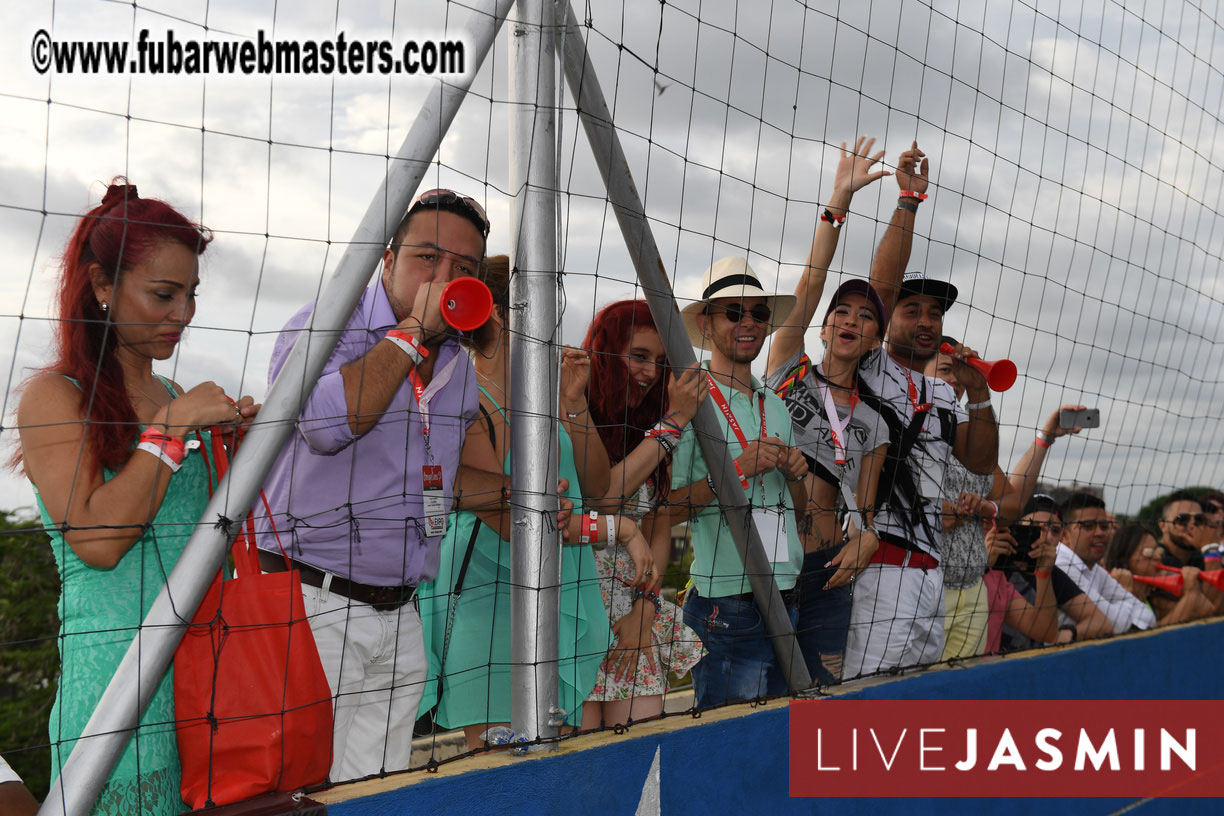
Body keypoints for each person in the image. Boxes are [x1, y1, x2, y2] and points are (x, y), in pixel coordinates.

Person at [255, 190, 541, 781]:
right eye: (427, 258)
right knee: (299, 790)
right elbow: (328, 426)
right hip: (311, 603)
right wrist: (412, 331)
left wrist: (522, 495)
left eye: (464, 269)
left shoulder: (460, 365)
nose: (444, 278)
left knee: (377, 792)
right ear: (387, 260)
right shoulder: (326, 325)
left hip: (400, 611)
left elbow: (432, 478)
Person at [13, 181, 257, 814]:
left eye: (191, 294)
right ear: (100, 286)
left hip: (207, 684)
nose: (183, 313)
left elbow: (208, 545)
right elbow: (97, 540)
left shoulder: (171, 393)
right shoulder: (55, 397)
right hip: (115, 696)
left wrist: (245, 455)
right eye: (163, 294)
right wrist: (171, 432)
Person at [417, 257, 651, 749]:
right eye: (540, 310)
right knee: (502, 766)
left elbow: (598, 484)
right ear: (504, 314)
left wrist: (574, 403)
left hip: (554, 583)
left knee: (554, 762)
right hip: (487, 588)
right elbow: (511, 519)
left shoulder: (545, 391)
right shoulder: (462, 393)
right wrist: (617, 532)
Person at [842, 141, 1000, 678]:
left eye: (936, 313)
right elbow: (879, 288)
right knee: (867, 700)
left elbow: (979, 464)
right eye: (913, 311)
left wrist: (978, 393)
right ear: (888, 320)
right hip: (877, 566)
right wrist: (908, 202)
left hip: (932, 569)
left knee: (915, 702)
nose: (928, 321)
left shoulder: (939, 391)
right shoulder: (867, 367)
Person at [764, 138, 891, 687]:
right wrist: (838, 202)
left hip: (828, 571)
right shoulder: (787, 367)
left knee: (819, 707)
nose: (850, 320)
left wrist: (870, 538)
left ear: (874, 341)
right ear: (822, 325)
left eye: (865, 318)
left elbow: (864, 508)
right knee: (754, 704)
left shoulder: (875, 421)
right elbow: (811, 281)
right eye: (842, 311)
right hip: (764, 561)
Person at [672, 257, 810, 707]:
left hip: (787, 595)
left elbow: (800, 513)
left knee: (779, 749)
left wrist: (796, 476)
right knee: (728, 754)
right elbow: (668, 509)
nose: (748, 323)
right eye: (733, 311)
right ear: (705, 324)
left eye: (758, 313)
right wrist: (734, 472)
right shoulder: (691, 398)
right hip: (728, 605)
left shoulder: (777, 404)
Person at [579, 299, 706, 727]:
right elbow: (603, 500)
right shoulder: (573, 413)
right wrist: (673, 424)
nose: (651, 372)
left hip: (635, 613)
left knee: (639, 757)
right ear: (607, 353)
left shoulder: (653, 430)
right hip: (572, 611)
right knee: (575, 766)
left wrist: (645, 610)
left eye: (659, 361)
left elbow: (659, 521)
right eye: (638, 356)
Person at [1055, 492, 1156, 634]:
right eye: (1088, 526)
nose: (1100, 533)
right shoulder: (1061, 565)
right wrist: (1125, 607)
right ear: (1064, 535)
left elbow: (1149, 616)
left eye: (1104, 526)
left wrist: (1116, 609)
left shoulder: (1093, 567)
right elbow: (1114, 624)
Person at [1104, 523, 1214, 625]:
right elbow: (1153, 635)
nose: (1158, 556)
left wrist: (1188, 591)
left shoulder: (1154, 597)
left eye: (1158, 550)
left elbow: (1208, 608)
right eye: (1148, 552)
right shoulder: (1110, 599)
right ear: (1125, 559)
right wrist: (1191, 593)